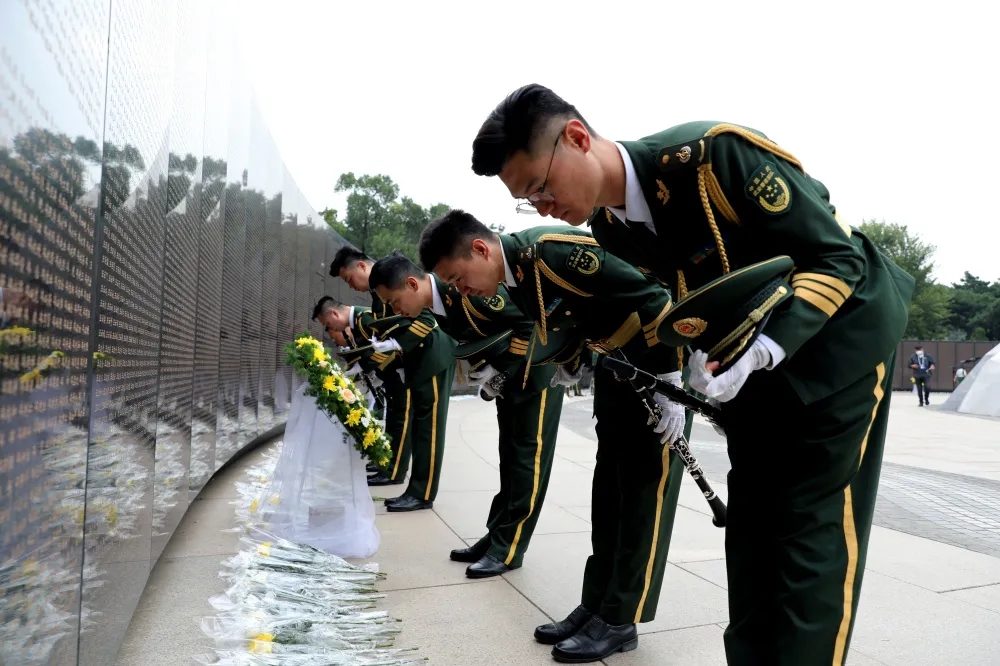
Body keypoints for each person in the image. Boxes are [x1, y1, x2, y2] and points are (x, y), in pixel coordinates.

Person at [467, 84, 916, 666]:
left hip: (838, 351)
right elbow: (687, 300)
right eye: (529, 201)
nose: (543, 207)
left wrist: (766, 349)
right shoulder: (612, 227)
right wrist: (700, 369)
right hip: (749, 373)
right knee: (751, 538)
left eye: (540, 187)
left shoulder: (711, 158)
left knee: (807, 538)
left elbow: (838, 257)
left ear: (576, 138)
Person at [419, 210, 690, 664]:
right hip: (616, 366)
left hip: (651, 363)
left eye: (459, 278)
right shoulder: (518, 276)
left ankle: (621, 618)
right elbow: (576, 318)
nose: (460, 291)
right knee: (608, 495)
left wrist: (672, 382)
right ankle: (597, 603)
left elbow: (652, 297)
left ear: (481, 250)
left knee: (644, 497)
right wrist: (572, 361)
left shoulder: (549, 251)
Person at [368, 251, 566, 578]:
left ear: (413, 283)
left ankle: (509, 547)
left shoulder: (464, 292)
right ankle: (497, 536)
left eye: (393, 300)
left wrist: (502, 368)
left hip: (537, 376)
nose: (394, 310)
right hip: (511, 381)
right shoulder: (440, 305)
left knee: (526, 462)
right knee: (510, 459)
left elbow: (530, 320)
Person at [314, 295, 456, 512]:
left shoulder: (366, 317)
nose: (353, 288)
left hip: (424, 364)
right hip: (408, 369)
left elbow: (396, 342)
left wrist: (372, 366)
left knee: (422, 428)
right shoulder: (364, 318)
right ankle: (409, 483)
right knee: (413, 426)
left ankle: (409, 483)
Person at [329, 247, 410, 487]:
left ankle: (396, 472)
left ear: (362, 266)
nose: (351, 286)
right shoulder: (377, 295)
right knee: (395, 418)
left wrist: (379, 366)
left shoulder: (391, 284)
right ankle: (390, 466)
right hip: (395, 367)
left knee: (406, 421)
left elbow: (405, 326)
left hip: (409, 362)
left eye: (349, 279)